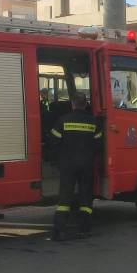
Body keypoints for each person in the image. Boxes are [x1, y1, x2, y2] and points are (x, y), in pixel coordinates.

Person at [49, 92, 103, 241]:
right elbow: (99, 146)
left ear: (72, 104)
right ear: (85, 104)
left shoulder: (63, 121)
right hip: (86, 165)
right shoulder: (93, 123)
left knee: (65, 198)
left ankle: (60, 230)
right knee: (86, 197)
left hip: (67, 165)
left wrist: (59, 157)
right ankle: (85, 229)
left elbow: (53, 141)